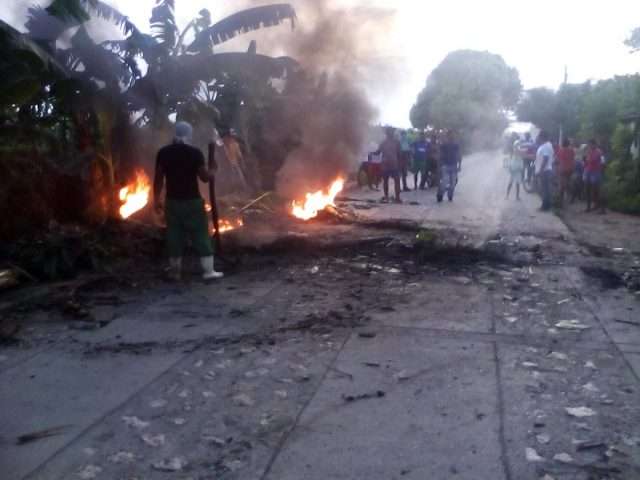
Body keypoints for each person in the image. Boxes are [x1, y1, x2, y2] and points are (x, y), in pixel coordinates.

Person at [154, 121, 224, 281]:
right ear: (189, 134)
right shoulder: (194, 153)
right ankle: (208, 272)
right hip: (192, 201)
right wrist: (213, 169)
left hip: (172, 202)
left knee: (174, 236)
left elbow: (158, 179)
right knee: (200, 234)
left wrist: (155, 199)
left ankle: (174, 272)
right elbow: (205, 178)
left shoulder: (163, 152)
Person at [374, 126, 403, 203]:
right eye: (389, 132)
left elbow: (400, 154)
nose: (391, 133)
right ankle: (387, 196)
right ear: (387, 133)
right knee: (386, 181)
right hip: (386, 165)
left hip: (393, 164)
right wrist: (372, 153)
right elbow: (378, 152)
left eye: (391, 132)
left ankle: (397, 197)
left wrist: (400, 164)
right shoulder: (383, 143)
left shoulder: (396, 142)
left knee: (396, 180)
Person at [437, 130, 462, 203]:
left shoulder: (456, 145)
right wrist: (439, 166)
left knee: (453, 183)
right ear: (447, 136)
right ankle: (440, 194)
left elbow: (459, 155)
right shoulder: (443, 145)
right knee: (445, 182)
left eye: (452, 135)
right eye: (450, 135)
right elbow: (440, 155)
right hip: (445, 165)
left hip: (454, 166)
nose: (451, 136)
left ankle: (450, 195)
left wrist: (459, 165)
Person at [535, 130, 554, 211]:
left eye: (539, 136)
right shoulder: (548, 145)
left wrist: (540, 170)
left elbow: (545, 158)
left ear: (542, 137)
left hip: (544, 171)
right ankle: (547, 205)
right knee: (546, 189)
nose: (538, 138)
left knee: (544, 189)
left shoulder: (546, 146)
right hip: (547, 170)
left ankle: (544, 206)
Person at [584, 139, 605, 213]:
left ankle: (602, 208)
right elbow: (586, 160)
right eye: (589, 144)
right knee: (588, 189)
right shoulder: (589, 151)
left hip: (596, 172)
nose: (590, 146)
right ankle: (589, 207)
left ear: (594, 144)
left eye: (591, 144)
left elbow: (603, 162)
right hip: (588, 171)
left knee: (597, 190)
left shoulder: (599, 152)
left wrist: (601, 171)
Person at [556, 138, 576, 207]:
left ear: (562, 144)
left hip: (563, 169)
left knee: (562, 184)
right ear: (568, 144)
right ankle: (572, 195)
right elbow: (573, 158)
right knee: (568, 183)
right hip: (570, 169)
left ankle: (561, 200)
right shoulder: (571, 150)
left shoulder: (561, 150)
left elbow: (557, 159)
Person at [506, 134, 524, 200]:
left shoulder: (516, 149)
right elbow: (521, 152)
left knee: (514, 182)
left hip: (515, 168)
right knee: (515, 183)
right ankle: (514, 196)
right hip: (516, 168)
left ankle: (508, 196)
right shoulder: (517, 150)